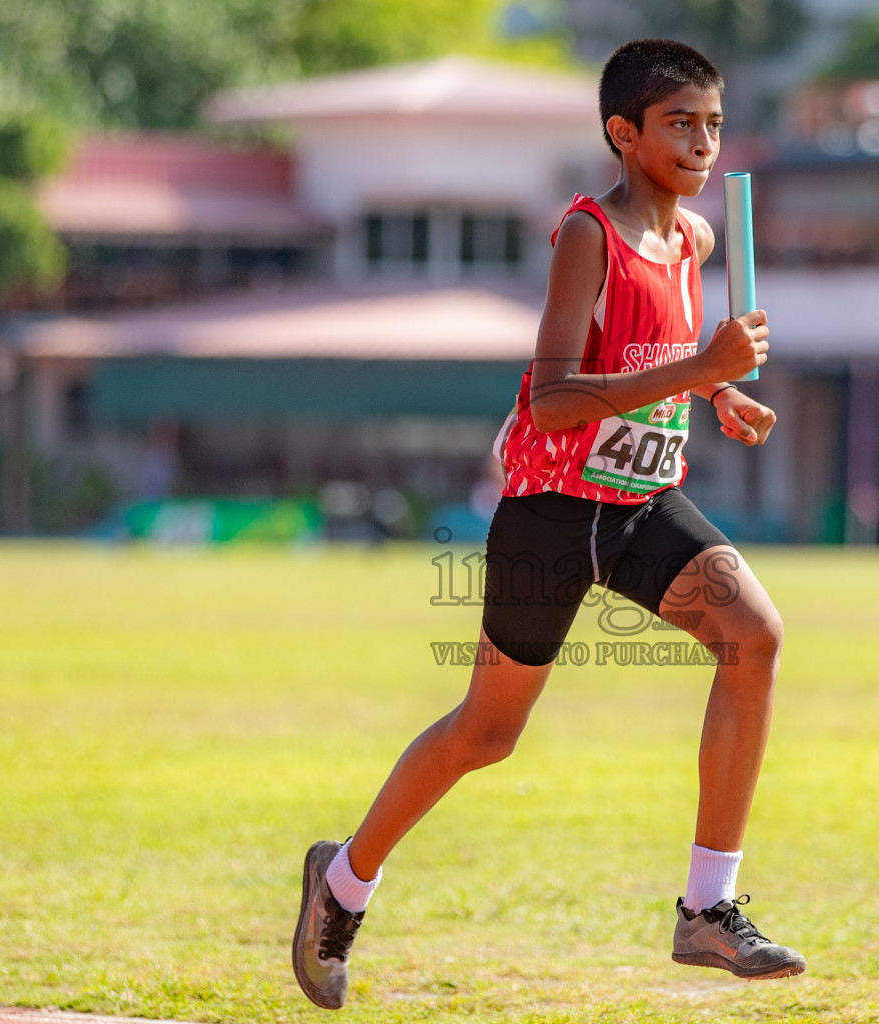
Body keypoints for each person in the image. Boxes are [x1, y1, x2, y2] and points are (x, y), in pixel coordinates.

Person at [292, 38, 803, 1010]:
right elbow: (560, 399)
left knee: (755, 635)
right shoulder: (587, 236)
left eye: (714, 125)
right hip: (553, 513)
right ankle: (344, 879)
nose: (702, 142)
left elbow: (655, 359)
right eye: (679, 124)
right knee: (488, 732)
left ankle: (709, 906)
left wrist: (717, 393)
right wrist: (700, 371)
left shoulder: (695, 241)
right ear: (624, 134)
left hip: (643, 503)